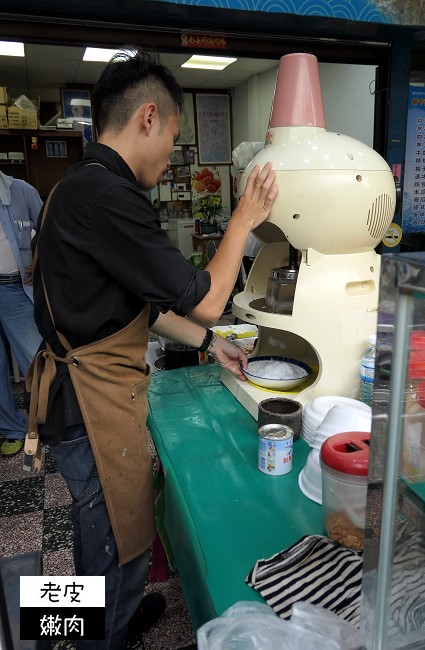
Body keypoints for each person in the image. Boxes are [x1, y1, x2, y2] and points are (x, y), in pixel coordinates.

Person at [27, 49, 278, 649]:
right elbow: (207, 298)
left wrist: (210, 342)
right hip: (89, 407)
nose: (171, 156)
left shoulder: (81, 188)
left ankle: (94, 617)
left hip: (78, 396)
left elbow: (149, 308)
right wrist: (243, 219)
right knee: (114, 545)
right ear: (146, 118)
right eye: (172, 135)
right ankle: (89, 635)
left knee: (101, 537)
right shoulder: (108, 199)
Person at [0, 171, 43, 456]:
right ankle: (12, 427)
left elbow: (50, 232)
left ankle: (51, 422)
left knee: (35, 362)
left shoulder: (22, 191)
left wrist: (38, 262)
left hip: (16, 290)